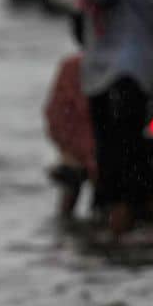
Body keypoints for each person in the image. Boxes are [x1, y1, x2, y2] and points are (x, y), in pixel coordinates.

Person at [78, 0, 153, 242]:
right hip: (111, 62)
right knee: (116, 149)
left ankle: (127, 217)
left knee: (124, 151)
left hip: (128, 63)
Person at [45, 14, 95, 222]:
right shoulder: (125, 67)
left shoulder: (70, 68)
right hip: (86, 154)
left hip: (78, 152)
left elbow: (55, 116)